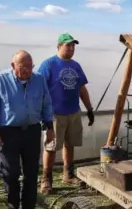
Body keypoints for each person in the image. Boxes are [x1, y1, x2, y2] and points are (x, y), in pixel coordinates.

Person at [0, 50, 54, 209]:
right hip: (8, 132)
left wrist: (50, 127)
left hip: (32, 130)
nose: (28, 71)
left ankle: (29, 208)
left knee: (31, 172)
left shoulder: (39, 80)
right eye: (23, 67)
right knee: (11, 171)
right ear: (13, 66)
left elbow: (46, 104)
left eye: (30, 67)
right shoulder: (0, 81)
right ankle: (13, 207)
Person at [38, 33, 94, 194]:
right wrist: (43, 114)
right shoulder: (48, 65)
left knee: (70, 144)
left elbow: (82, 89)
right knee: (51, 147)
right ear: (59, 46)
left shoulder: (76, 66)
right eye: (67, 45)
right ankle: (46, 180)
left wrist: (89, 109)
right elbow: (40, 89)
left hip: (73, 112)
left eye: (73, 46)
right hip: (55, 114)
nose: (71, 48)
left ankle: (68, 175)